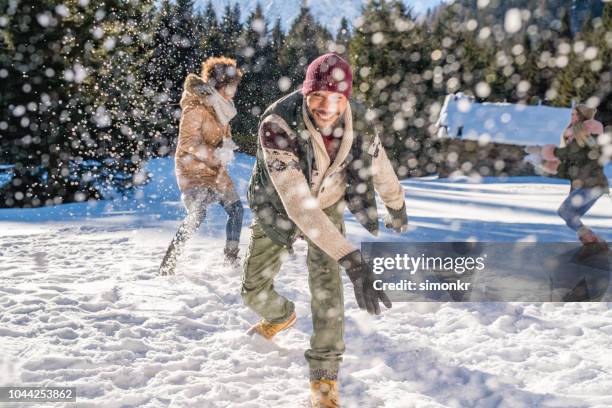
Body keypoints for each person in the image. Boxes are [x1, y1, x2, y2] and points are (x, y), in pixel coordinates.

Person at [241, 53, 408, 407]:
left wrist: (396, 203)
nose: (326, 105)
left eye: (336, 97)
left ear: (346, 98)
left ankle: (325, 380)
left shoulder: (359, 122)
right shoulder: (277, 124)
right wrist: (350, 256)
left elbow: (380, 165)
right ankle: (280, 315)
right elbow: (298, 204)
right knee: (252, 290)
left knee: (327, 289)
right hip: (278, 208)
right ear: (305, 92)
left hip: (329, 203)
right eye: (317, 95)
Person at [159, 57, 244, 276]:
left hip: (215, 171)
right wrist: (215, 154)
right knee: (197, 215)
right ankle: (169, 263)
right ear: (218, 85)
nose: (234, 91)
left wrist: (227, 149)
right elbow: (188, 143)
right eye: (231, 86)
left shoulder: (222, 108)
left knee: (236, 209)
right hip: (193, 169)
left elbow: (223, 136)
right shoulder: (195, 107)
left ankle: (231, 259)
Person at [534, 104, 610, 245]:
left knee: (565, 211)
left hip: (591, 184)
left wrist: (546, 151)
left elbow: (574, 152)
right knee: (570, 217)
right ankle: (593, 241)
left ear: (581, 116)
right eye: (571, 114)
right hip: (589, 185)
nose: (572, 116)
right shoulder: (576, 135)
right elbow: (569, 166)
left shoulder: (589, 134)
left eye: (574, 114)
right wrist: (546, 163)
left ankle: (591, 239)